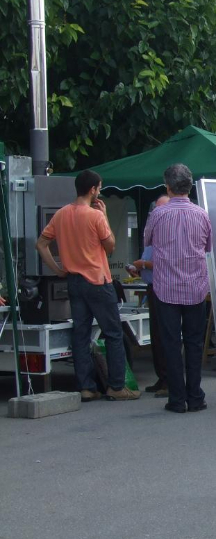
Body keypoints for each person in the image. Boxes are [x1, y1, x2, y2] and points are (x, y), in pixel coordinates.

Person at [36, 170, 141, 402]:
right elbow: (110, 246)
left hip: (73, 280)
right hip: (97, 280)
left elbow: (41, 244)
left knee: (81, 334)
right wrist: (105, 216)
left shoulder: (61, 214)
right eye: (99, 188)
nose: (99, 192)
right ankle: (116, 386)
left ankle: (86, 387)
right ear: (92, 189)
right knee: (113, 333)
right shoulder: (95, 216)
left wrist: (58, 269)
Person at [143, 164, 212, 413]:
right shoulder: (202, 215)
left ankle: (176, 398)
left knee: (170, 344)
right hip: (195, 286)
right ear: (190, 186)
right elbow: (208, 247)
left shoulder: (158, 214)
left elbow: (147, 241)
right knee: (194, 343)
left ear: (168, 186)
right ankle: (195, 396)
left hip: (166, 287)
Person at [126, 194, 170, 397]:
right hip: (152, 286)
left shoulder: (168, 233)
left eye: (159, 209)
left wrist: (142, 264)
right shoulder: (153, 231)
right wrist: (138, 268)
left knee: (164, 336)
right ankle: (162, 378)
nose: (155, 213)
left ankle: (168, 381)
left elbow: (166, 262)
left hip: (164, 288)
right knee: (156, 336)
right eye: (154, 210)